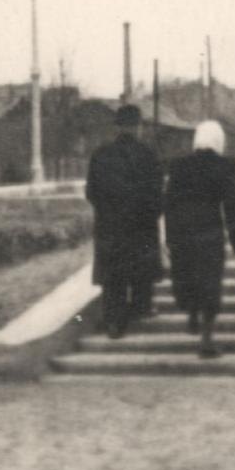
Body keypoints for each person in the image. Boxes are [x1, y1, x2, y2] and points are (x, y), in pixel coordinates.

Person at [164, 120, 235, 359]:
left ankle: (192, 314)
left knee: (187, 277)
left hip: (182, 233)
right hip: (209, 232)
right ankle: (206, 340)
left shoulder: (178, 166)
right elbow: (232, 204)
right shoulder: (225, 166)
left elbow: (169, 203)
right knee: (210, 282)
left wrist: (169, 237)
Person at [85, 103, 164, 338]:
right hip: (141, 227)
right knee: (141, 272)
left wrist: (107, 212)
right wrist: (150, 215)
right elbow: (157, 193)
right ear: (138, 127)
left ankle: (113, 322)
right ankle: (142, 309)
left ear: (117, 127)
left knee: (113, 276)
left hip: (110, 228)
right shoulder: (149, 155)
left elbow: (91, 192)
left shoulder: (100, 155)